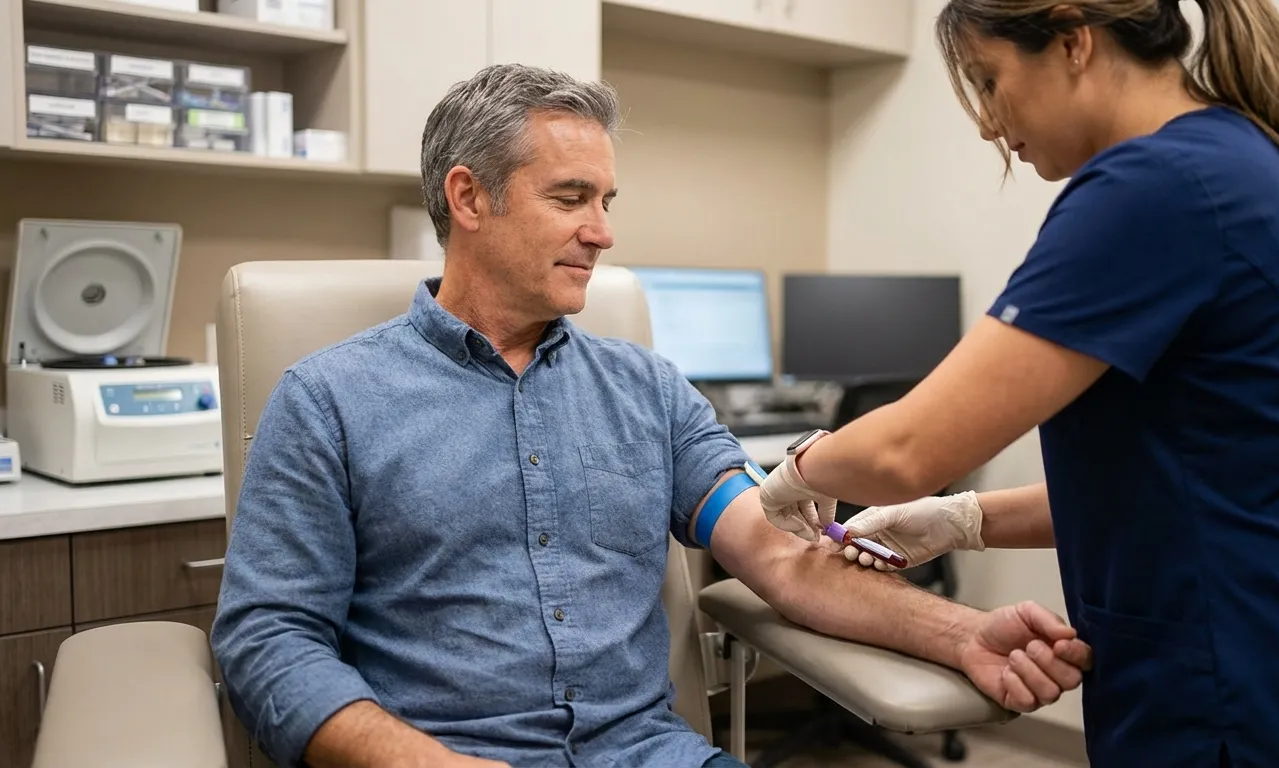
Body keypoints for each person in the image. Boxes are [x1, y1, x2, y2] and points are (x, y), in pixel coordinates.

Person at [211, 63, 1092, 768]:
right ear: (470, 198)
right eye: (570, 198)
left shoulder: (648, 391)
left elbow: (783, 560)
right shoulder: (329, 401)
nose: (603, 232)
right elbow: (268, 639)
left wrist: (965, 633)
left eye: (607, 201)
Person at [758, 0, 1279, 766]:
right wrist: (965, 519)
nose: (987, 121)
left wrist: (791, 472)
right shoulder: (1242, 161)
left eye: (990, 79)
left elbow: (906, 448)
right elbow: (1197, 480)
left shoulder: (1156, 185)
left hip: (1233, 685)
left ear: (1073, 42)